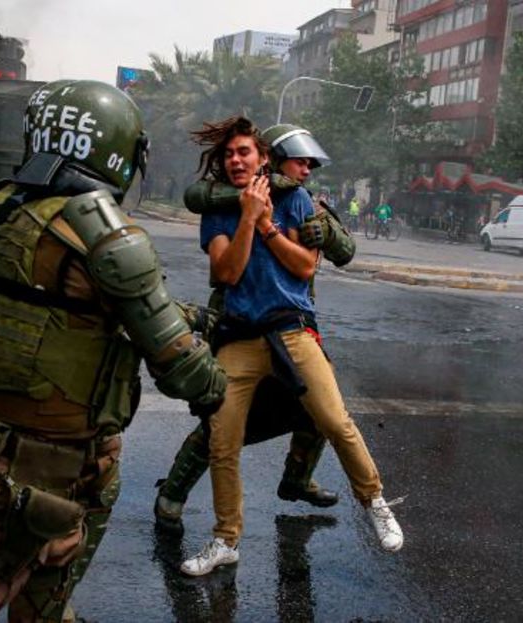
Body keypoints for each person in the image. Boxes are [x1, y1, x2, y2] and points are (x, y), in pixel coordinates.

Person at [0, 80, 227, 621]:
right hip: (51, 457)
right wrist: (214, 382)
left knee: (24, 561)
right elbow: (184, 371)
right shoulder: (107, 235)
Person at [179, 116, 402, 578]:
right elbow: (226, 273)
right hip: (239, 336)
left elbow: (304, 267)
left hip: (291, 328)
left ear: (262, 158)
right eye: (229, 154)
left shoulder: (297, 199)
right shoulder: (219, 209)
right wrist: (246, 218)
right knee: (221, 440)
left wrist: (267, 227)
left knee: (334, 421)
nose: (236, 159)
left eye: (245, 152)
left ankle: (375, 502)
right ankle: (225, 539)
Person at [155, 123, 358, 534]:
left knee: (320, 409)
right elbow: (198, 200)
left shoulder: (301, 200)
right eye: (299, 161)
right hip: (238, 323)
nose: (306, 169)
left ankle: (296, 480)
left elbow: (342, 252)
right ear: (274, 159)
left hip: (291, 324)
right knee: (223, 422)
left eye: (310, 163)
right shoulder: (226, 198)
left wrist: (328, 229)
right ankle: (172, 495)